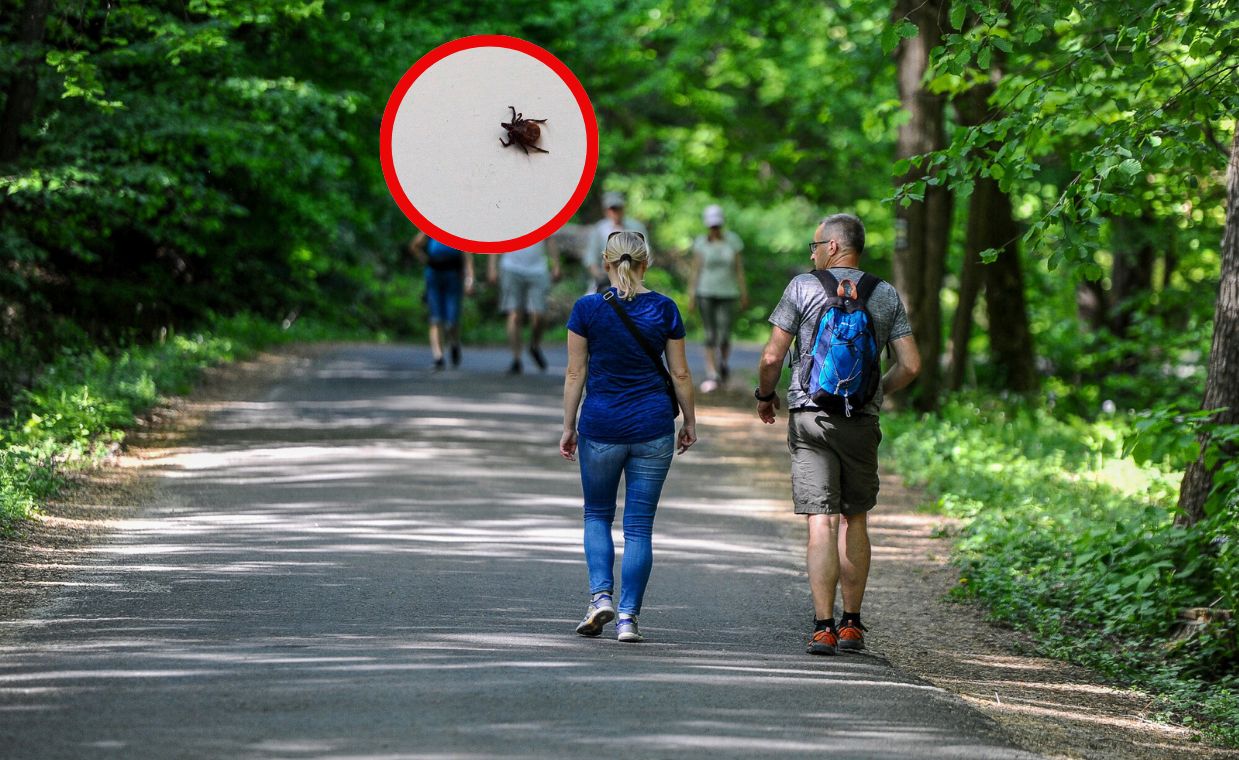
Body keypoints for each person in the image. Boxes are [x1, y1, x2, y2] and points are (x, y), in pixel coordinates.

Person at [754, 213, 920, 656]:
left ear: (831, 247)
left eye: (813, 246)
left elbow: (772, 356)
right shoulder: (884, 294)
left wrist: (765, 395)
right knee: (856, 518)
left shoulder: (802, 288)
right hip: (860, 421)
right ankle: (852, 625)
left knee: (821, 521)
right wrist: (875, 390)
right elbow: (912, 365)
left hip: (811, 417)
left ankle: (823, 626)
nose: (811, 254)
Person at [560, 230, 697, 643]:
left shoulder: (586, 309)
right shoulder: (665, 309)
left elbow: (574, 374)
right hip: (653, 427)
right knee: (639, 527)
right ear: (646, 263)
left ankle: (600, 596)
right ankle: (627, 619)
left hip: (600, 426)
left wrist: (568, 426)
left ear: (605, 262)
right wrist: (690, 420)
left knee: (597, 515)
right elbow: (681, 374)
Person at [687, 204, 748, 392]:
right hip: (705, 292)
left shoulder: (733, 241)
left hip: (728, 293)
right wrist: (691, 294)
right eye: (712, 225)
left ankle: (723, 364)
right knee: (709, 334)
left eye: (717, 225)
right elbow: (695, 270)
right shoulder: (701, 243)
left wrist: (744, 292)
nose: (715, 229)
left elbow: (739, 269)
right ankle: (711, 372)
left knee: (724, 335)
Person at [487, 238, 562, 374]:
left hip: (538, 269)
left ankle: (534, 345)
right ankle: (516, 359)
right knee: (515, 314)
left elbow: (550, 240)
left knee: (540, 314)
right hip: (511, 268)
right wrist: (492, 267)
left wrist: (556, 265)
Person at [409, 232, 474, 370]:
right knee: (435, 318)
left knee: (452, 320)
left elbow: (467, 255)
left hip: (453, 276)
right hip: (434, 276)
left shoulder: (457, 229)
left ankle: (454, 342)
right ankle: (438, 356)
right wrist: (426, 260)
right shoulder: (430, 228)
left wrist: (470, 279)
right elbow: (414, 246)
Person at [583, 191, 651, 294]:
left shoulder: (637, 227)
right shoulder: (599, 229)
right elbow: (590, 258)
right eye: (612, 209)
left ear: (623, 208)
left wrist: (634, 274)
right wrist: (600, 276)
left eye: (617, 208)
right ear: (606, 210)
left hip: (633, 278)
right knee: (587, 303)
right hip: (605, 278)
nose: (615, 212)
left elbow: (647, 255)